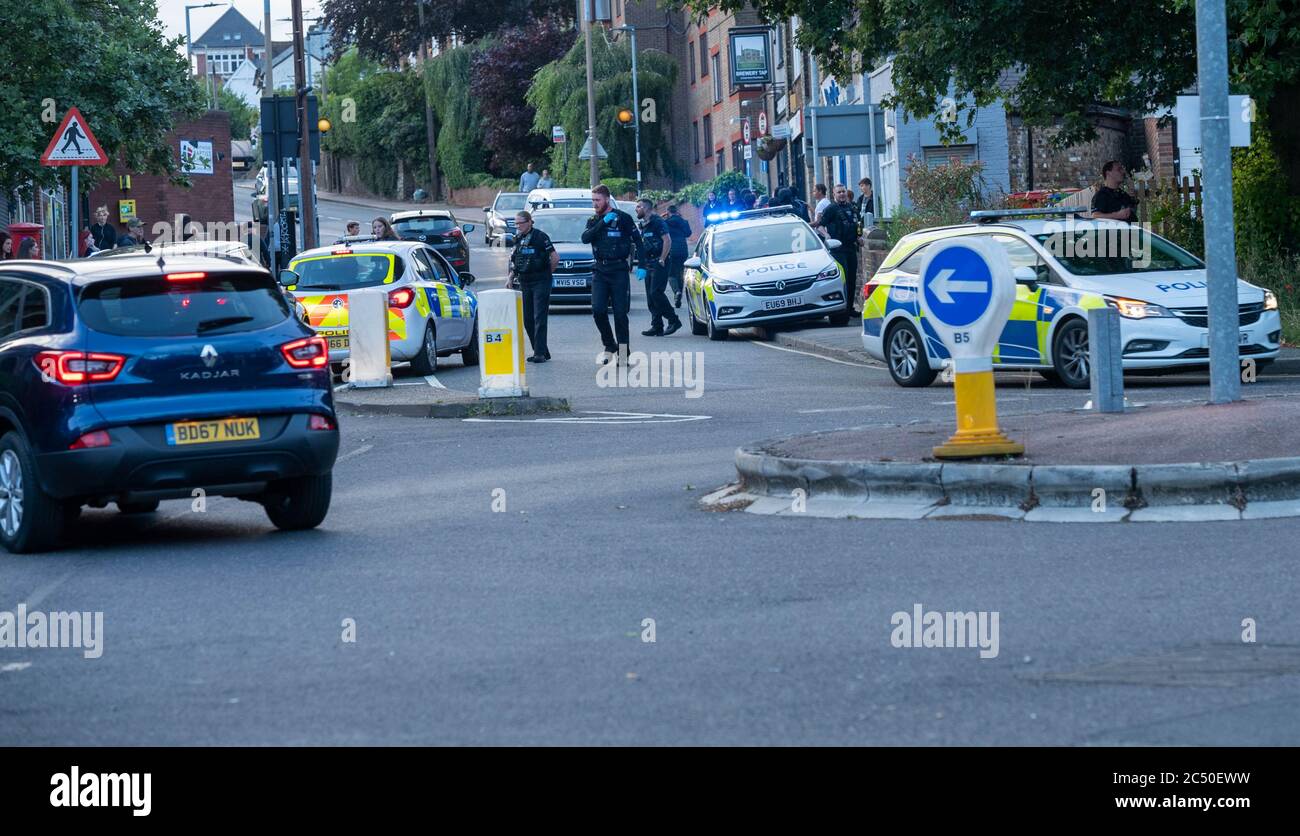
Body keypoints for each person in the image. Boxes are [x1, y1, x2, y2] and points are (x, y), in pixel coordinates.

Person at [581, 184, 641, 363]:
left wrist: (643, 264)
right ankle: (609, 344)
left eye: (597, 200)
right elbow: (585, 238)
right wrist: (603, 222)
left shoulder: (623, 218)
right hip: (600, 270)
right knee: (598, 310)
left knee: (620, 314)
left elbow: (638, 240)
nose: (595, 203)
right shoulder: (593, 220)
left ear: (607, 199)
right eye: (593, 200)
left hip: (619, 271)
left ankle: (623, 354)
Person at [506, 210, 559, 363]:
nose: (518, 226)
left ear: (529, 222)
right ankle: (541, 350)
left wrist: (546, 274)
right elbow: (516, 260)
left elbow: (555, 258)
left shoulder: (541, 237)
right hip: (525, 281)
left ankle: (539, 354)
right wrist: (510, 276)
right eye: (516, 224)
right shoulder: (518, 238)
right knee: (527, 319)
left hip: (540, 280)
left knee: (539, 317)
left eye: (520, 223)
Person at [636, 198, 681, 337]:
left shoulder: (657, 222)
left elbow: (667, 240)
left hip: (659, 262)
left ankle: (674, 320)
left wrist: (662, 258)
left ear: (646, 208)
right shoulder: (645, 224)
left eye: (639, 206)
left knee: (656, 292)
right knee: (650, 296)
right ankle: (657, 326)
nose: (636, 209)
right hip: (648, 263)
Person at [821, 184, 862, 316]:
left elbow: (857, 225)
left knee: (852, 279)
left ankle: (850, 308)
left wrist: (858, 238)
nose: (842, 194)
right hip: (838, 249)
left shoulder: (852, 207)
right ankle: (841, 309)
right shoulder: (831, 209)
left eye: (843, 191)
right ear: (834, 194)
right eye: (839, 192)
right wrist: (826, 235)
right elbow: (820, 225)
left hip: (851, 247)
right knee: (843, 278)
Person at [664, 204, 692, 308]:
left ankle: (676, 292)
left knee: (671, 274)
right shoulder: (684, 221)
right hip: (683, 250)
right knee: (680, 272)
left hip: (671, 250)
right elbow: (688, 233)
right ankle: (680, 291)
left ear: (668, 212)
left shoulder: (666, 222)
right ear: (677, 211)